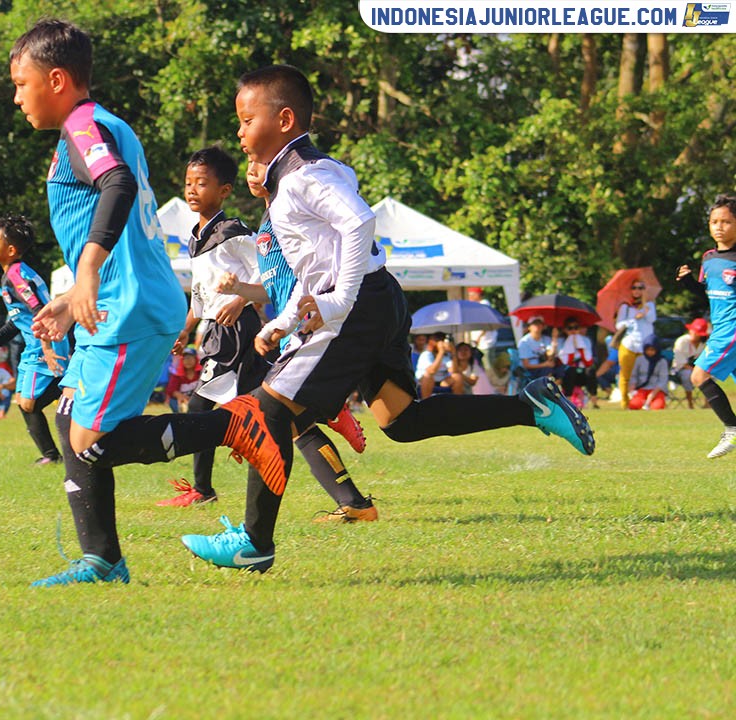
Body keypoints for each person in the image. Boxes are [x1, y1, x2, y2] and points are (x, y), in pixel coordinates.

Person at [69, 65, 594, 575]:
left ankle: (250, 540)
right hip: (378, 297)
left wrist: (339, 300)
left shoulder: (302, 176)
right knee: (401, 421)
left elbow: (358, 222)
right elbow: (316, 260)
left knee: (269, 413)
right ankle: (531, 407)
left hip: (360, 303)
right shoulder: (302, 174)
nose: (240, 131)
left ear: (285, 120)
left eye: (247, 119)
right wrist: (285, 321)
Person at [9, 19, 188, 585]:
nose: (16, 97)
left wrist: (84, 272)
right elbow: (117, 217)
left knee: (89, 441)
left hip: (128, 307)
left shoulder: (83, 125)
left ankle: (235, 427)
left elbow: (117, 186)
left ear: (56, 79)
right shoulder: (102, 124)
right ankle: (102, 560)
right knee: (69, 420)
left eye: (21, 83)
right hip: (118, 300)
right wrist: (68, 298)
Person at [213, 156, 376, 523]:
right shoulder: (267, 225)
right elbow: (273, 288)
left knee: (273, 417)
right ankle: (354, 502)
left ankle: (333, 411)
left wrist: (286, 321)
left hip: (310, 322)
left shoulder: (292, 211)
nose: (254, 169)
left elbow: (314, 272)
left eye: (260, 161)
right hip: (293, 324)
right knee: (296, 426)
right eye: (249, 165)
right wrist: (241, 291)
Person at [155, 146, 264, 507]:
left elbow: (268, 275)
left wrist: (239, 299)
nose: (191, 190)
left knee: (199, 409)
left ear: (225, 191)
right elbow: (200, 296)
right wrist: (185, 328)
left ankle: (202, 490)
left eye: (201, 183)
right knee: (266, 411)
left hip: (237, 329)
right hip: (216, 330)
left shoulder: (233, 231)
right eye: (188, 182)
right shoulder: (195, 237)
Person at [0, 214, 68, 466]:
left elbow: (40, 313)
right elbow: (18, 321)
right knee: (24, 402)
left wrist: (48, 349)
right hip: (37, 344)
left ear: (11, 249)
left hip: (44, 343)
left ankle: (70, 387)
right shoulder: (13, 274)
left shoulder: (16, 276)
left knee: (29, 402)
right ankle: (51, 456)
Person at [676, 194, 736, 457]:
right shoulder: (709, 258)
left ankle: (732, 429)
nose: (719, 227)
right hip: (720, 328)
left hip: (732, 330)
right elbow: (708, 295)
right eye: (714, 221)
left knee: (698, 375)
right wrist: (690, 284)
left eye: (726, 221)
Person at [615, 276, 656, 409]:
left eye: (641, 287)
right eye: (635, 288)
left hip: (645, 346)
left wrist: (644, 309)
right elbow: (618, 325)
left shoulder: (649, 305)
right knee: (626, 375)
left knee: (644, 375)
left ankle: (641, 402)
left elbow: (652, 319)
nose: (637, 290)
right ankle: (624, 403)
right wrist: (632, 319)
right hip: (629, 344)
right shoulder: (626, 307)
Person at [557, 319, 598, 408]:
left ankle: (594, 401)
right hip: (568, 372)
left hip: (582, 369)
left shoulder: (585, 340)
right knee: (570, 371)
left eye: (576, 328)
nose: (573, 331)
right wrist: (571, 346)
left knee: (590, 371)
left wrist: (579, 347)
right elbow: (564, 360)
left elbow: (588, 361)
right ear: (565, 329)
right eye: (570, 328)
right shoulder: (561, 341)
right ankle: (568, 400)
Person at [672, 318, 708, 408]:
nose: (694, 334)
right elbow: (681, 362)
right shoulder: (682, 342)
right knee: (687, 374)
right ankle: (690, 403)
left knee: (710, 375)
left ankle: (708, 403)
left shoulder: (703, 344)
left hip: (698, 368)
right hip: (680, 369)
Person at [626, 337, 668, 410]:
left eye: (652, 350)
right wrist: (632, 387)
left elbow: (663, 380)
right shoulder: (639, 359)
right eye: (647, 350)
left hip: (656, 389)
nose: (649, 352)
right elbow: (634, 375)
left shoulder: (662, 362)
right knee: (634, 405)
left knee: (657, 407)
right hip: (641, 388)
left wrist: (652, 394)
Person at [415, 332, 459, 398]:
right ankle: (425, 403)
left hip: (442, 382)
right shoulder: (426, 354)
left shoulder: (447, 356)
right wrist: (441, 352)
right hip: (425, 382)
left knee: (457, 377)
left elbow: (454, 371)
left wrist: (453, 352)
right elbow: (431, 371)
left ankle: (457, 404)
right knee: (428, 376)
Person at [517, 316, 557, 380]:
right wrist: (545, 364)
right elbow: (526, 365)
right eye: (534, 324)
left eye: (539, 324)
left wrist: (554, 340)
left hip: (545, 366)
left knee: (563, 369)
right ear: (529, 327)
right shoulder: (524, 342)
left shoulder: (547, 339)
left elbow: (550, 357)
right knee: (548, 371)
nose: (537, 326)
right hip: (531, 370)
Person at [466, 286, 498, 367]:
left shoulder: (483, 305)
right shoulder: (478, 306)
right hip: (481, 342)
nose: (470, 297)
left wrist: (478, 338)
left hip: (484, 342)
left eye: (471, 295)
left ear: (477, 295)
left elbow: (486, 324)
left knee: (488, 367)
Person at [165, 347, 201, 412]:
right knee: (174, 402)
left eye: (190, 358)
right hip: (180, 401)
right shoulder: (177, 375)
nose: (188, 361)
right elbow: (171, 390)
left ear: (196, 359)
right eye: (185, 358)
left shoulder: (201, 374)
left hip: (197, 401)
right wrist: (181, 396)